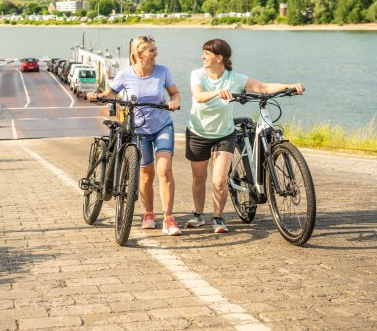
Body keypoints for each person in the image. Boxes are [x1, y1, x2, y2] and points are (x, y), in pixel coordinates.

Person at [186, 38, 305, 234]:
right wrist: (218, 92)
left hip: (224, 134)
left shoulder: (234, 79)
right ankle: (198, 214)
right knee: (199, 177)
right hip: (198, 132)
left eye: (206, 54)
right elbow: (198, 96)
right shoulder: (197, 75)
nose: (202, 57)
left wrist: (291, 86)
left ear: (219, 58)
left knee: (219, 180)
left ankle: (218, 217)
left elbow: (263, 87)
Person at [88, 35, 182, 236]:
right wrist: (95, 97)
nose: (156, 53)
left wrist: (174, 101)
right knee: (146, 175)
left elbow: (175, 93)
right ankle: (149, 213)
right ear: (139, 54)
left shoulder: (163, 71)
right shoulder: (125, 74)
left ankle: (168, 218)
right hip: (138, 130)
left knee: (164, 170)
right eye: (152, 50)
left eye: (156, 49)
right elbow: (109, 95)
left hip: (162, 125)